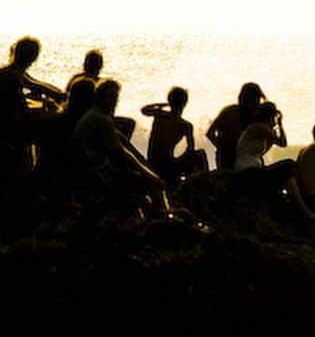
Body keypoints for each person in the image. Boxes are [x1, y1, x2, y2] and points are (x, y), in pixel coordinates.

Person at [72, 79, 170, 220]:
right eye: (111, 97)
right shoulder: (100, 119)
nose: (115, 102)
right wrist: (151, 176)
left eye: (116, 98)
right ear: (100, 97)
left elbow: (122, 145)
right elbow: (121, 153)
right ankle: (162, 221)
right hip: (95, 174)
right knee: (151, 184)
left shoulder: (94, 116)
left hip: (93, 170)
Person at [234, 101, 315, 221]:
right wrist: (280, 124)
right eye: (273, 118)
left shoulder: (259, 130)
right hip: (248, 173)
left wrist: (276, 127)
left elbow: (266, 149)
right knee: (289, 165)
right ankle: (304, 208)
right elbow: (283, 143)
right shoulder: (259, 127)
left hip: (252, 172)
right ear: (270, 117)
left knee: (288, 173)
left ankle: (300, 206)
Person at [0, 37, 64, 174]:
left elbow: (34, 83)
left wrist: (58, 94)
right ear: (33, 58)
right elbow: (21, 110)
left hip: (10, 122)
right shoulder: (12, 78)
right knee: (55, 121)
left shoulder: (10, 71)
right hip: (10, 126)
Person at [141, 87, 208, 183]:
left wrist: (163, 104)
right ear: (184, 103)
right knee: (200, 154)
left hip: (162, 162)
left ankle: (195, 183)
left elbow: (145, 110)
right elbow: (190, 149)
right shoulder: (182, 123)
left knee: (198, 155)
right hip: (160, 163)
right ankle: (203, 183)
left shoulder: (161, 115)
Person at [206, 82, 264, 170]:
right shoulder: (229, 112)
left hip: (244, 158)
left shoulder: (255, 117)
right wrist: (223, 148)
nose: (257, 103)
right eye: (256, 99)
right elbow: (210, 133)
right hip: (228, 159)